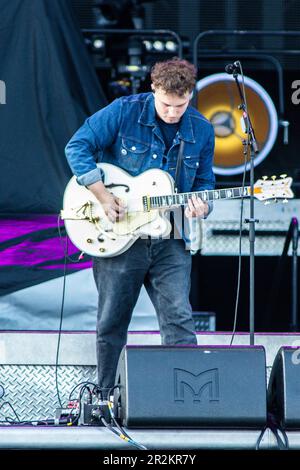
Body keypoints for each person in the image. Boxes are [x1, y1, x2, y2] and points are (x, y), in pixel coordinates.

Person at [65, 58, 215, 395]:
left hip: (172, 235)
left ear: (190, 95)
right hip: (121, 235)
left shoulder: (202, 129)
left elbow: (204, 182)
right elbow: (77, 147)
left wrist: (202, 205)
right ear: (153, 89)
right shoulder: (124, 111)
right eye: (166, 104)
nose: (173, 112)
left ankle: (186, 399)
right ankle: (104, 399)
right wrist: (102, 195)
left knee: (179, 321)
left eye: (181, 104)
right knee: (112, 323)